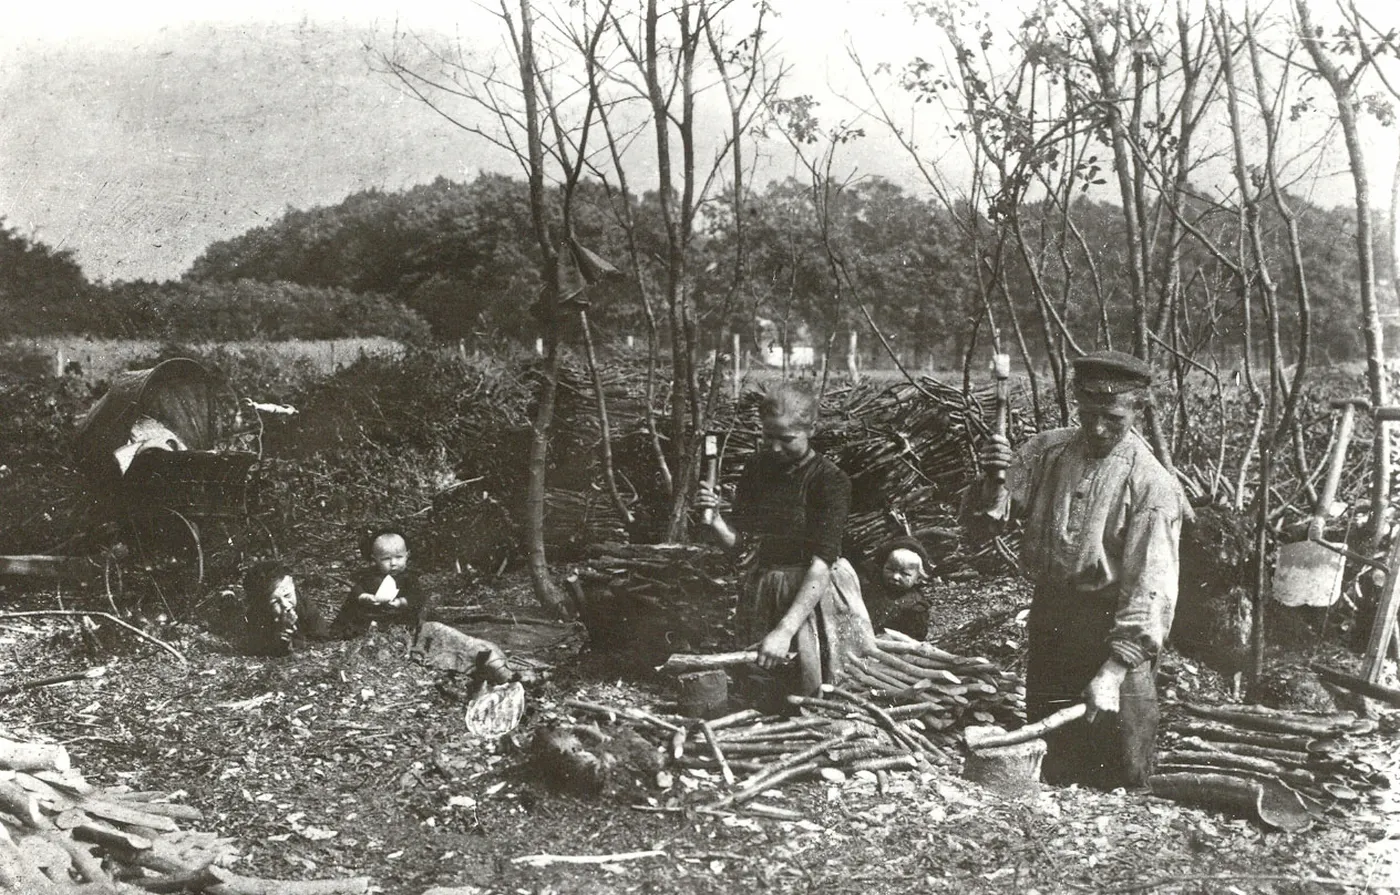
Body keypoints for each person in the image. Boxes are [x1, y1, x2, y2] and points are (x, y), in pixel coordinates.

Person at [963, 350, 1188, 790]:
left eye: (1113, 417)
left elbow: (1152, 589)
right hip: (1052, 616)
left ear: (1138, 410)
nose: (1099, 428)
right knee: (1052, 755)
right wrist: (991, 480)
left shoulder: (1152, 485)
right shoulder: (1047, 450)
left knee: (1118, 770)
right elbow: (986, 522)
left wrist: (1114, 669)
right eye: (1089, 415)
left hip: (1113, 627)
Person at [694, 382, 874, 708]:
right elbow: (741, 547)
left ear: (811, 429)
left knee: (821, 696)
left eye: (787, 439)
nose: (775, 447)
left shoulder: (830, 480)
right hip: (765, 589)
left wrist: (784, 630)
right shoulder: (756, 469)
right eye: (768, 437)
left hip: (816, 596)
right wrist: (718, 521)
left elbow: (822, 562)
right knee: (763, 695)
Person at [329, 529, 431, 639]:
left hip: (398, 615)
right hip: (373, 614)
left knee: (411, 621)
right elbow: (357, 589)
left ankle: (399, 633)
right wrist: (365, 596)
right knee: (356, 617)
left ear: (407, 555)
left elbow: (417, 596)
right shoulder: (371, 576)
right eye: (386, 559)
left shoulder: (409, 577)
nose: (393, 563)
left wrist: (402, 602)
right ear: (375, 559)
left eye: (399, 557)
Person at [242, 560, 328, 656]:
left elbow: (322, 637)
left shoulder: (303, 604)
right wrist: (279, 636)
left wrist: (296, 639)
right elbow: (256, 646)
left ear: (292, 586)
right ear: (263, 606)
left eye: (287, 595)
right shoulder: (257, 616)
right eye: (275, 602)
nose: (285, 604)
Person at [866, 535, 935, 642]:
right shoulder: (873, 590)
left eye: (905, 574)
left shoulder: (915, 606)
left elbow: (915, 638)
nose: (895, 577)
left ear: (918, 578)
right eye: (890, 569)